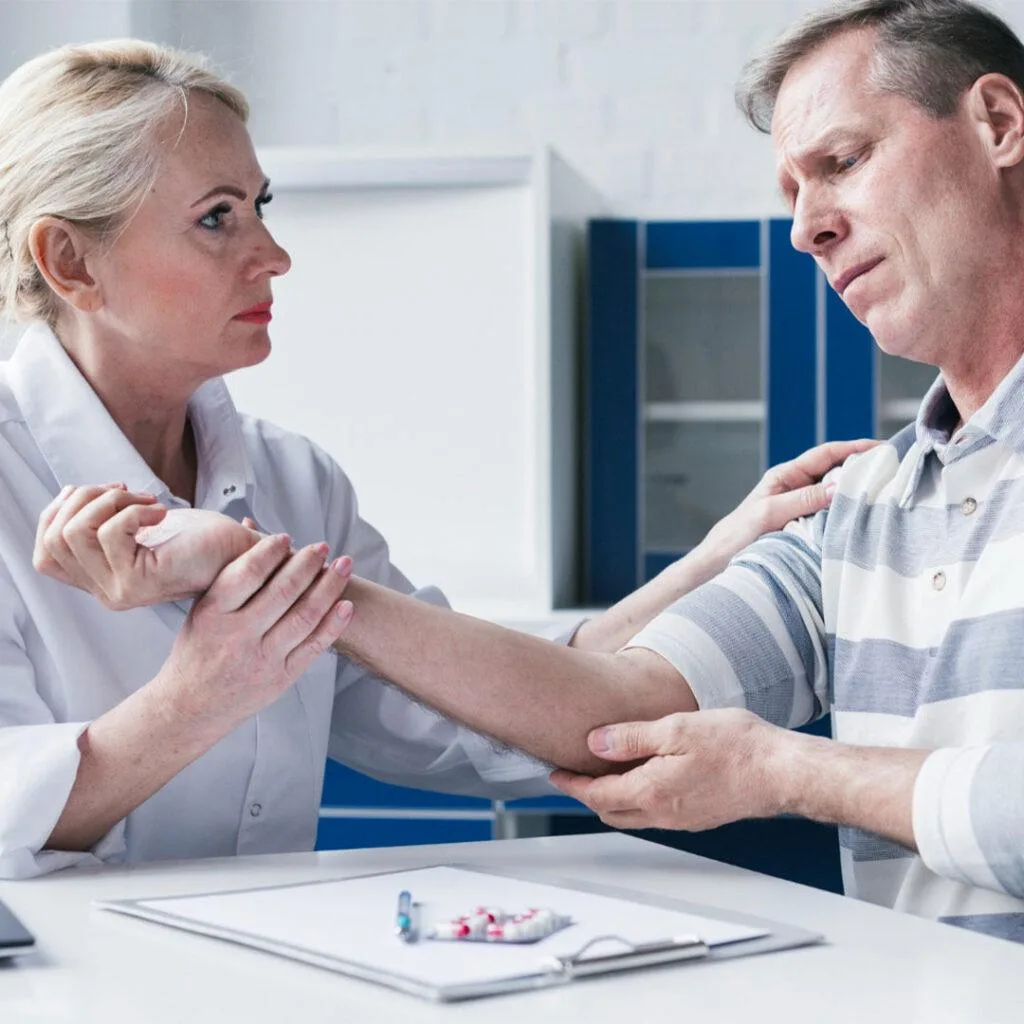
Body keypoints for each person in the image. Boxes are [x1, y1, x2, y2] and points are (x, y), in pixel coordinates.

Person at [46, 0, 1024, 942]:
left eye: (843, 162)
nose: (805, 227)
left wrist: (790, 771)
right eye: (792, 192)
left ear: (995, 122)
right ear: (69, 264)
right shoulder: (856, 509)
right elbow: (604, 707)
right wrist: (242, 560)